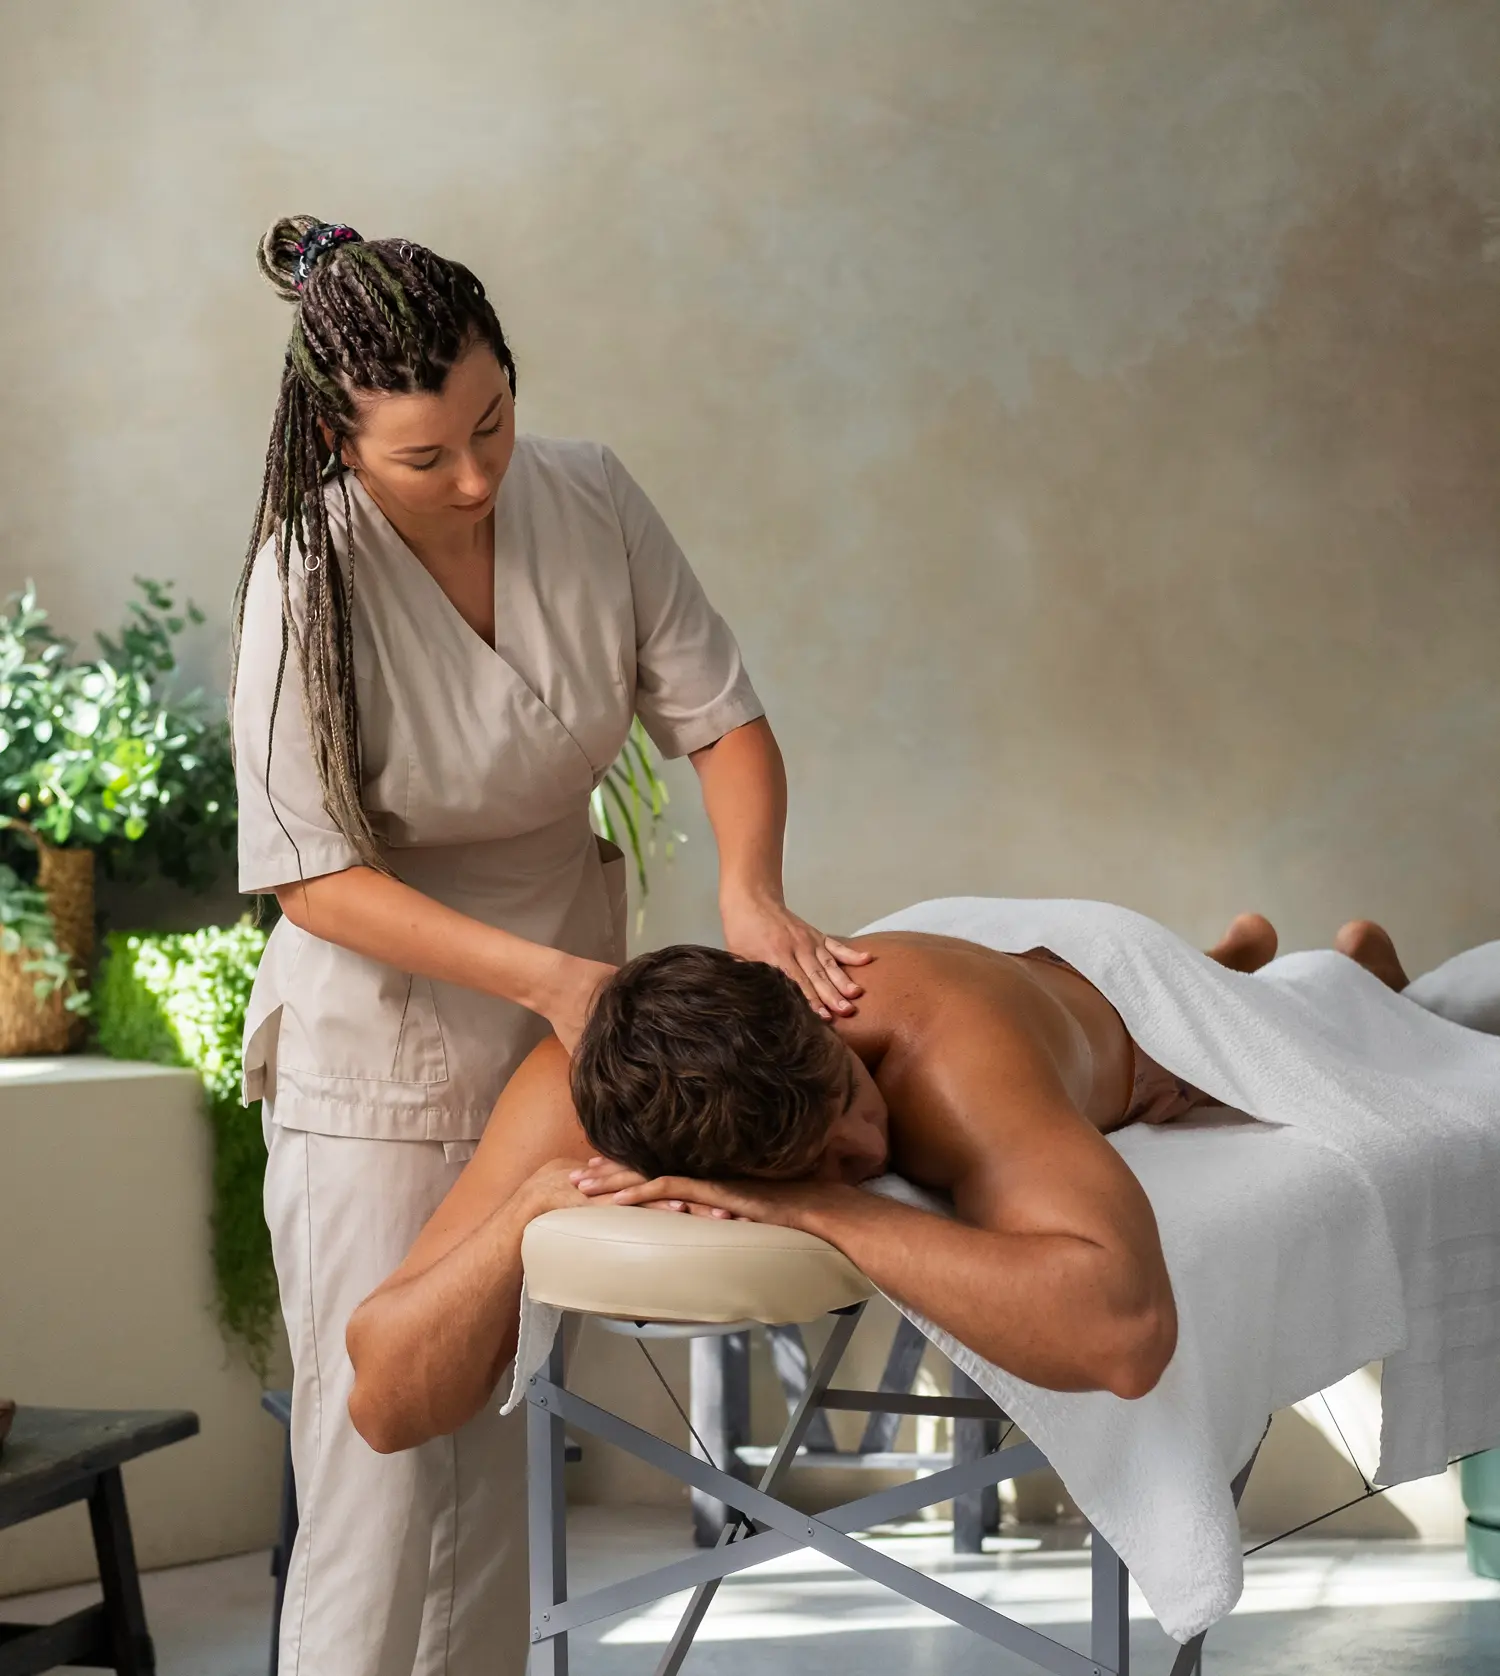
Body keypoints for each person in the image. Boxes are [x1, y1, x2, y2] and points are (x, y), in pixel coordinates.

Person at [229, 216, 870, 1676]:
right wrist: (554, 983)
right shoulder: (305, 578)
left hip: (565, 1035)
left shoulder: (589, 496)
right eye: (424, 458)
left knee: (497, 1457)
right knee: (379, 1482)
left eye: (491, 423)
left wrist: (753, 892)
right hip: (382, 1049)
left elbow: (724, 719)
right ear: (338, 438)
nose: (474, 478)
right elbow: (310, 875)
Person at [341, 908, 1414, 1449]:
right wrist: (528, 1205)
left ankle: (1326, 975)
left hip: (1098, 993)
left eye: (845, 1093)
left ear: (805, 1015)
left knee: (1254, 1038)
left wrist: (813, 1200)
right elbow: (383, 1400)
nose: (865, 1145)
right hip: (1001, 956)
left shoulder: (942, 1054)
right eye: (820, 1160)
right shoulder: (578, 1080)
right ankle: (1237, 956)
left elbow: (1126, 1331)